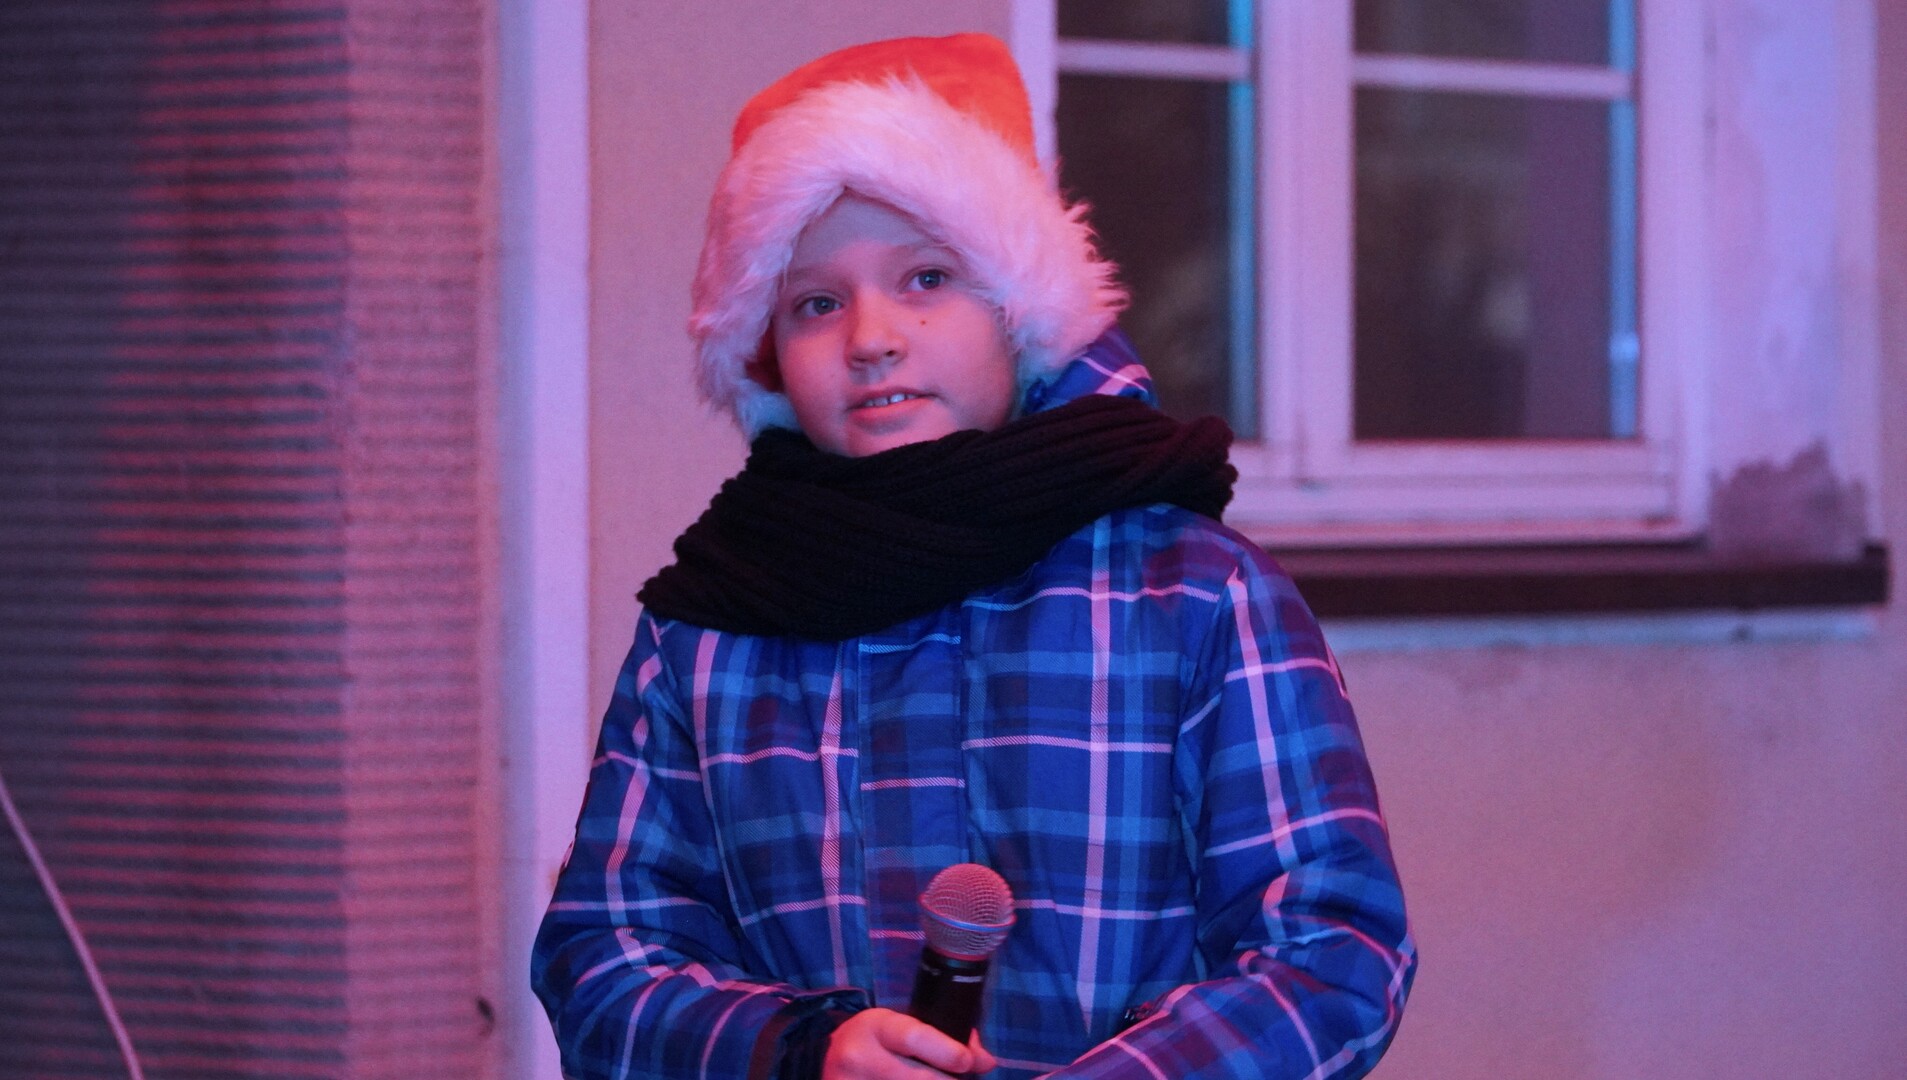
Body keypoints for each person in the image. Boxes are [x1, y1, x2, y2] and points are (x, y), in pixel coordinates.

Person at [532, 33, 1415, 1080]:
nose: (870, 337)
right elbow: (602, 955)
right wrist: (796, 1051)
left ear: (1018, 305)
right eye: (816, 303)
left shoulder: (1192, 591)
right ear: (765, 352)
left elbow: (1330, 950)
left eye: (926, 278)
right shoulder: (710, 625)